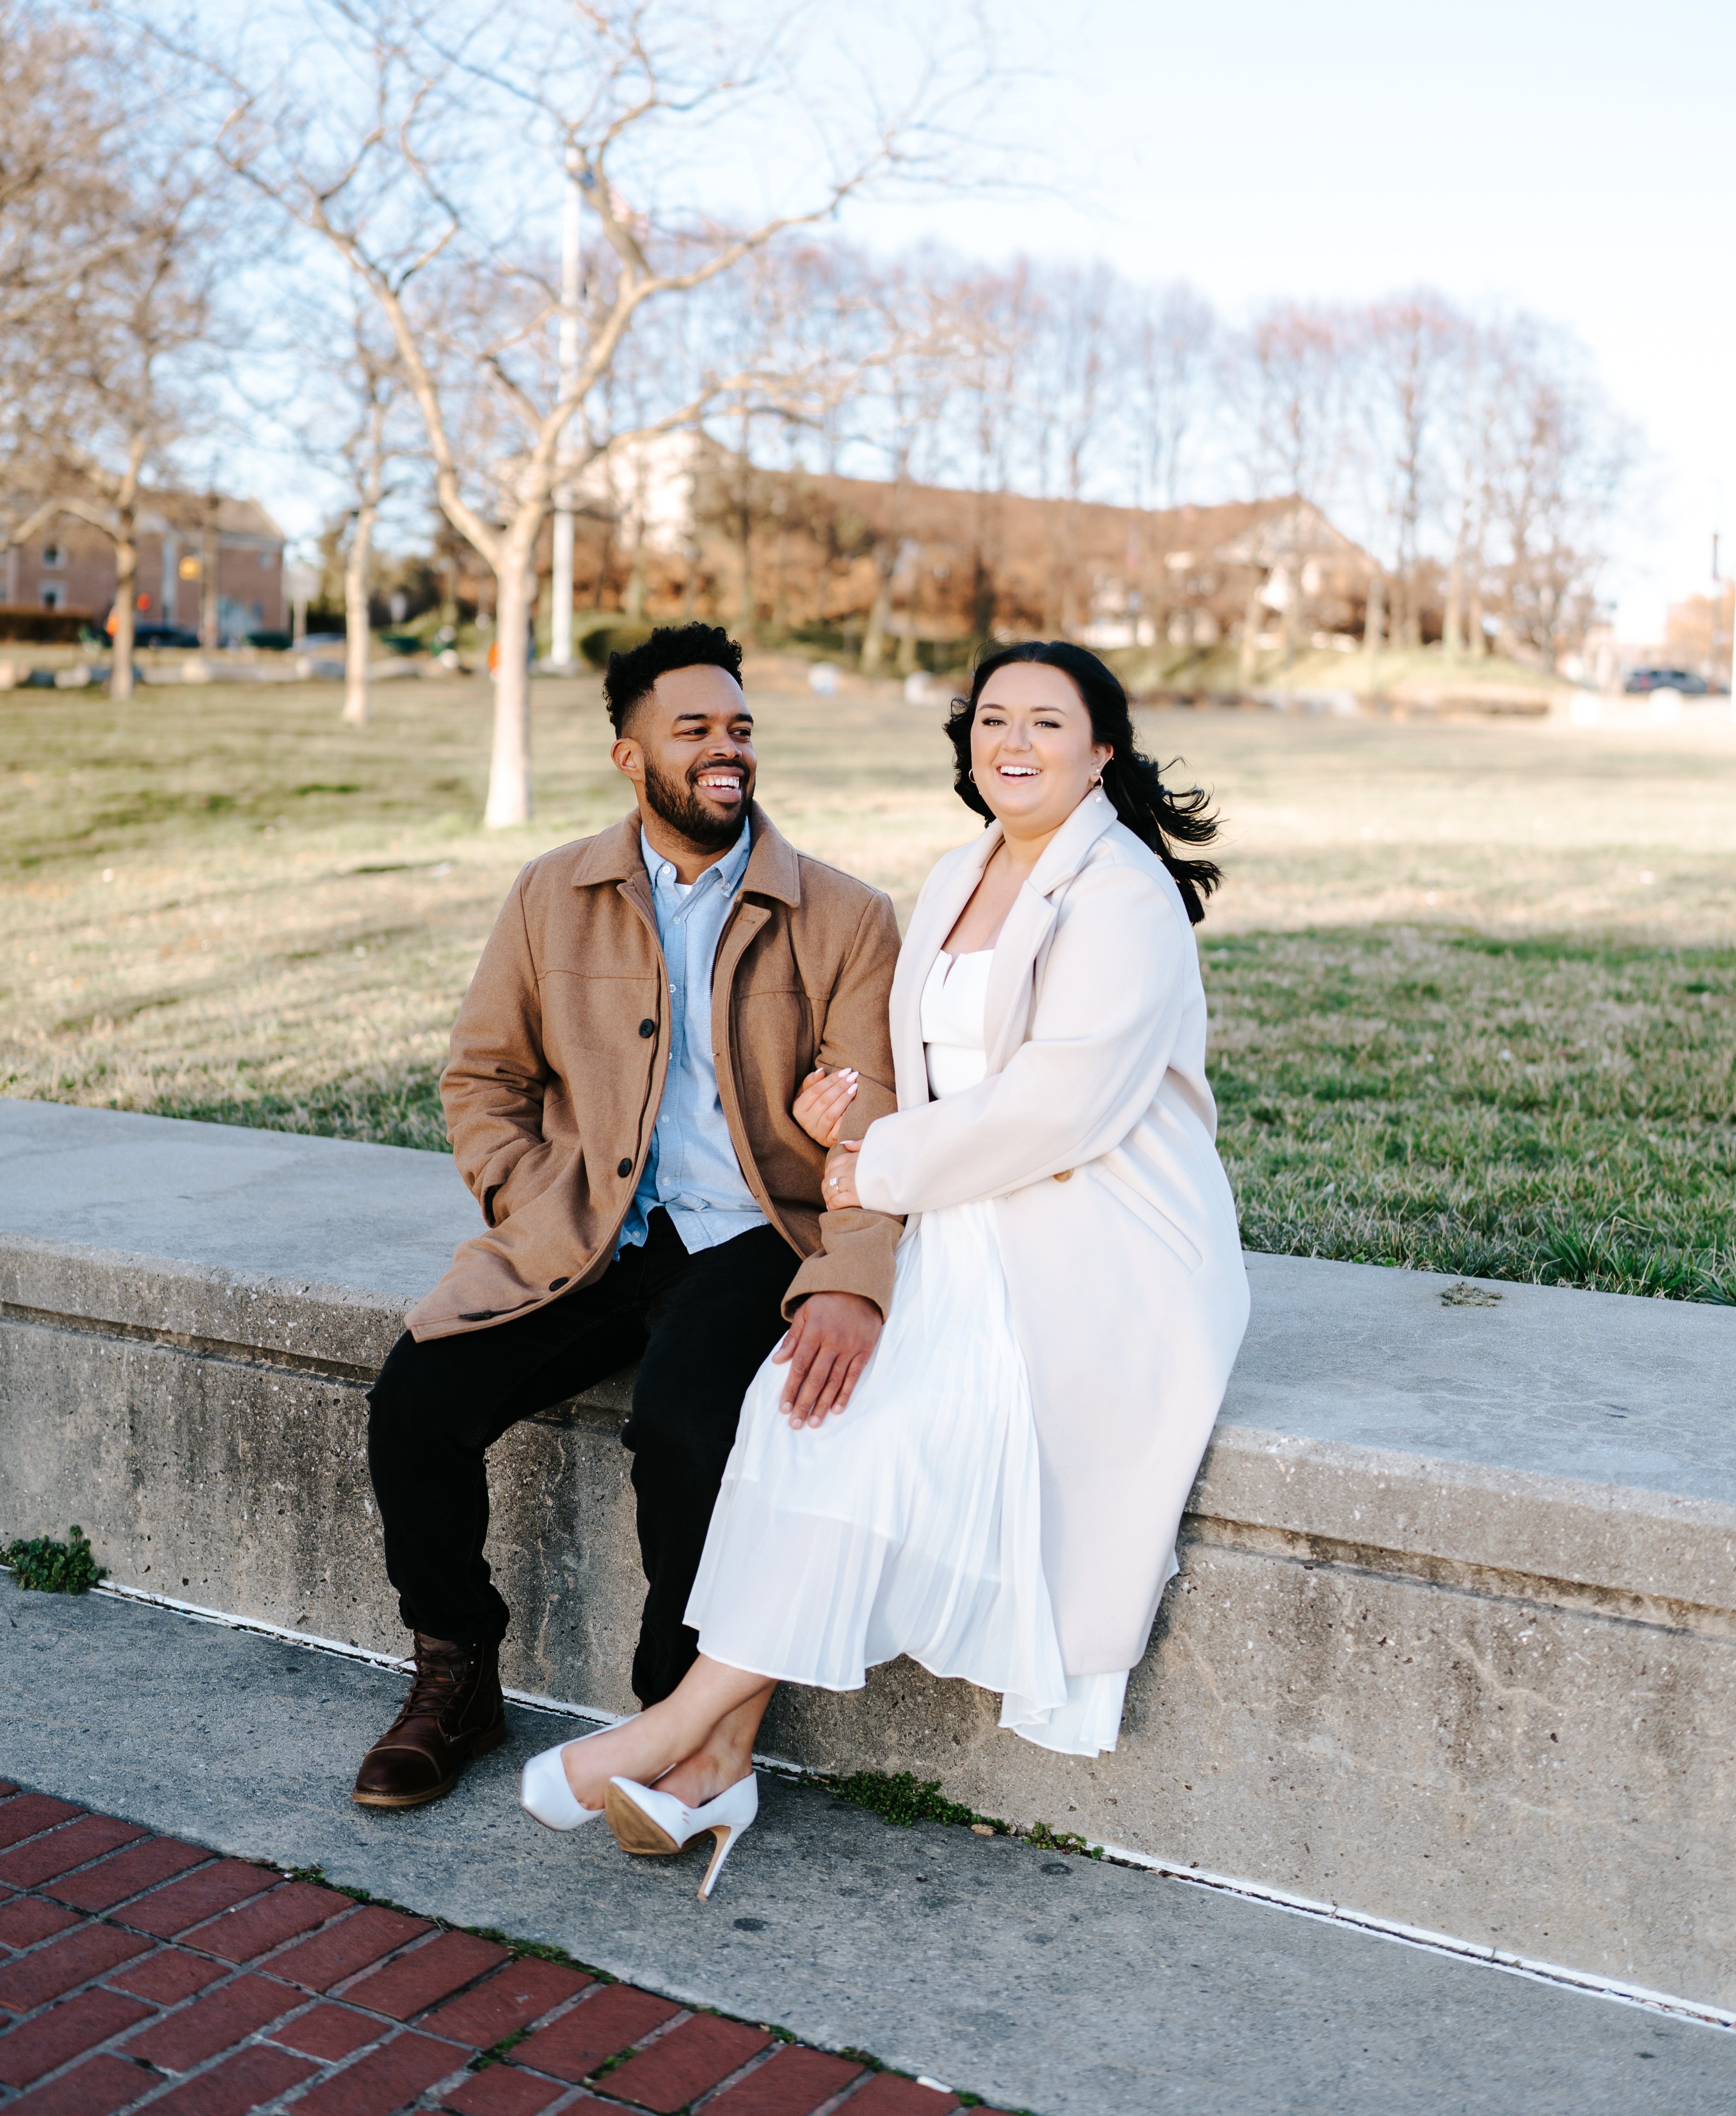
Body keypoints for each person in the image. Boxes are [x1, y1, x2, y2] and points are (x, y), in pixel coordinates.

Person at [521, 639, 1251, 1897]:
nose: (1012, 741)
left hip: (1098, 1247)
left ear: (1102, 754)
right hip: (965, 1215)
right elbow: (914, 1081)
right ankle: (718, 1768)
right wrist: (845, 1122)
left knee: (882, 1434)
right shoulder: (963, 868)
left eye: (1046, 723)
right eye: (992, 720)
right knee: (790, 1412)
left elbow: (1060, 1107)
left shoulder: (1121, 896)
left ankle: (669, 1733)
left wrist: (874, 1169)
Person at [352, 622, 903, 1811]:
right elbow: (481, 1077)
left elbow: (874, 1137)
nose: (726, 751)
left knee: (689, 1428)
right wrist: (524, 1191)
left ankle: (668, 1719)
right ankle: (457, 1673)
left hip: (757, 1234)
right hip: (585, 1231)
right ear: (627, 754)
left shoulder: (847, 918)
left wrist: (852, 1280)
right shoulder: (552, 894)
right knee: (416, 1399)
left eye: (740, 729)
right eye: (694, 729)